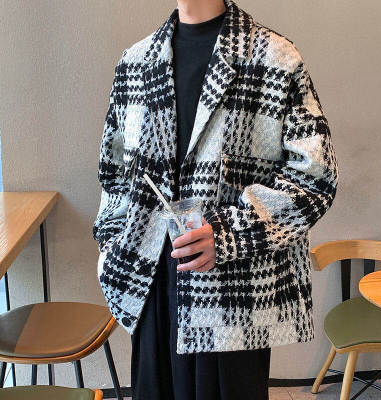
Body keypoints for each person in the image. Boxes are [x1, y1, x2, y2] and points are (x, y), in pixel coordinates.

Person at [92, 0, 339, 399]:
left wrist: (228, 234)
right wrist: (112, 244)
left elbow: (315, 177)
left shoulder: (275, 57)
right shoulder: (135, 62)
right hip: (151, 286)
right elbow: (114, 172)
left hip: (232, 293)